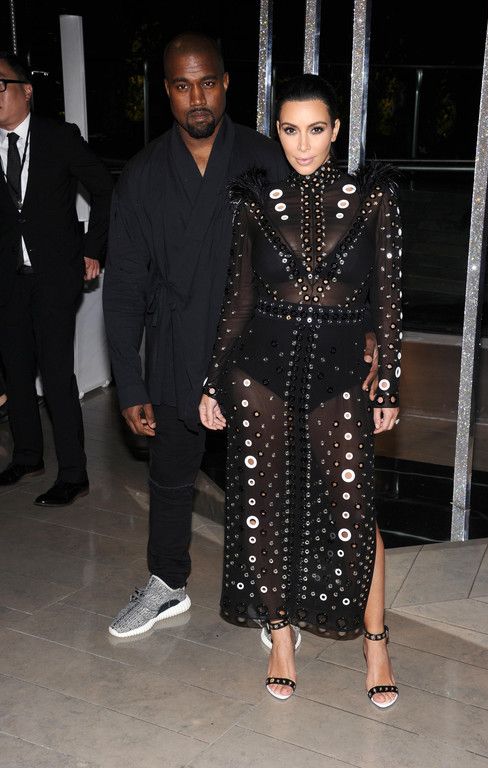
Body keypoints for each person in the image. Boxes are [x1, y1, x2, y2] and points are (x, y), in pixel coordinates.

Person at [103, 32, 380, 639]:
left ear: (226, 83)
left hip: (264, 351)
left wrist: (362, 329)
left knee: (271, 485)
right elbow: (122, 286)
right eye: (182, 86)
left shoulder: (267, 157)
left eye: (207, 82)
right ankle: (166, 583)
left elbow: (332, 256)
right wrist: (129, 381)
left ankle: (273, 602)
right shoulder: (142, 175)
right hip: (177, 350)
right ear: (166, 91)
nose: (197, 97)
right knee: (170, 477)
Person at [199, 73, 402, 707]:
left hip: (340, 376)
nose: (303, 144)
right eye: (290, 130)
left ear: (335, 130)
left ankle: (376, 642)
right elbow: (238, 300)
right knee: (263, 508)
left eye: (316, 129)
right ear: (277, 132)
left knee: (355, 509)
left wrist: (387, 381)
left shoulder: (372, 198)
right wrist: (213, 382)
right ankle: (281, 637)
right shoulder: (255, 200)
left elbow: (389, 301)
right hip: (261, 373)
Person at [0, 52, 113, 505]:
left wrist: (92, 249)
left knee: (55, 372)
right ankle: (28, 456)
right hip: (7, 281)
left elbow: (104, 189)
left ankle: (73, 473)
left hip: (54, 278)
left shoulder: (59, 137)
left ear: (26, 90)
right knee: (16, 371)